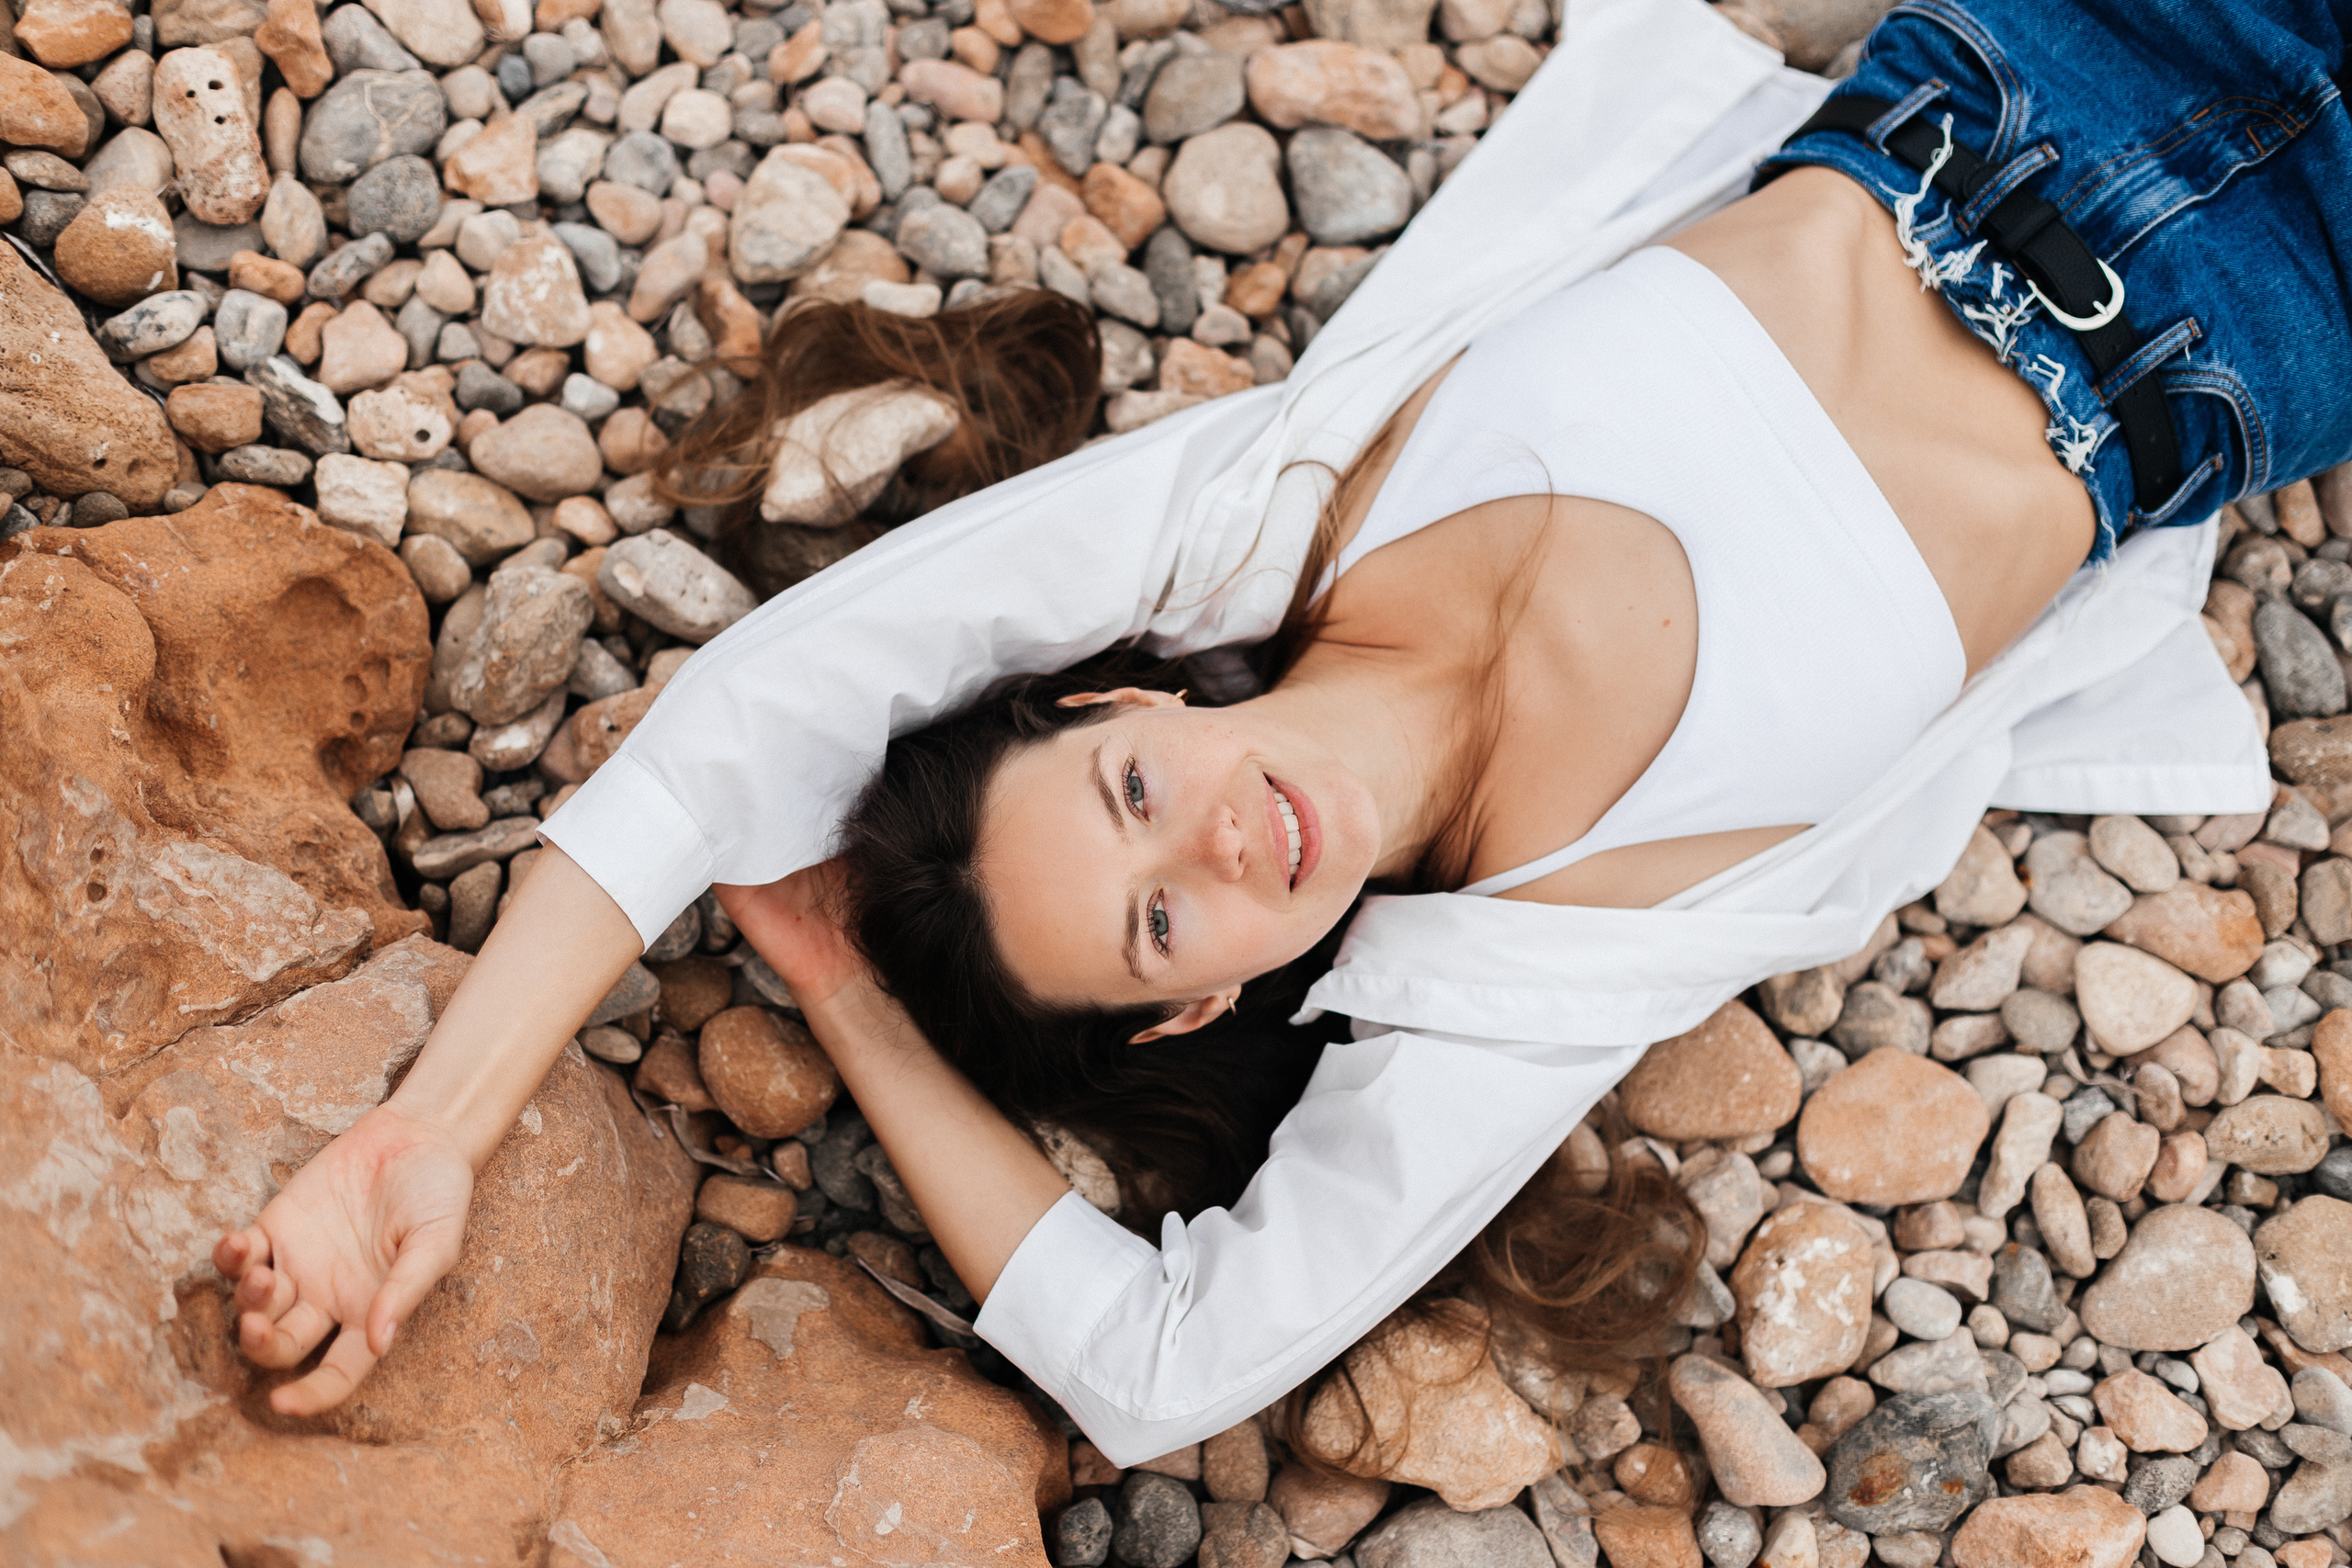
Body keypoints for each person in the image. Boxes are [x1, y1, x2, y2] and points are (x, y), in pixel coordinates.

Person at [213, 0, 2334, 1465]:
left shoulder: (1259, 513)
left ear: (1126, 696)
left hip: (2033, 53)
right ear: (1199, 1004)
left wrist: (431, 1126)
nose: (1215, 850)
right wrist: (848, 1008)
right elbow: (1161, 1361)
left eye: (1134, 792)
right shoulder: (1517, 973)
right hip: (2272, 315)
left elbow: (736, 725)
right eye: (1154, 926)